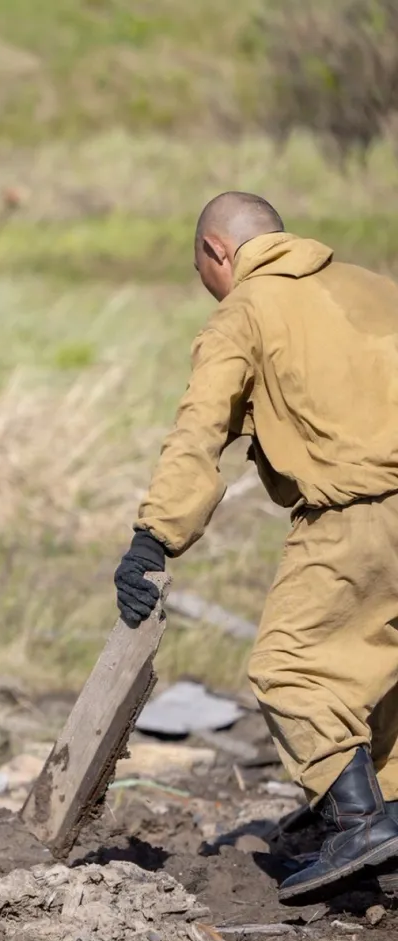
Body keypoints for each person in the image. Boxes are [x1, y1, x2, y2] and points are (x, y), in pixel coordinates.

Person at [117, 191, 398, 902]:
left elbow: (198, 431)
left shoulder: (246, 308)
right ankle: (387, 813)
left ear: (218, 251)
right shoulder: (372, 287)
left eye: (200, 269)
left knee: (290, 665)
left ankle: (363, 822)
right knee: (378, 670)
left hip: (357, 515)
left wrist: (155, 538)